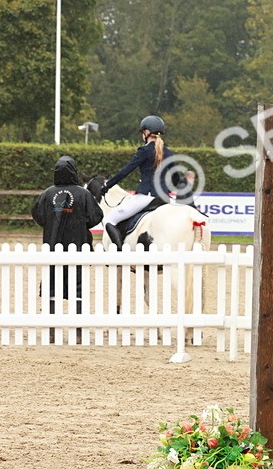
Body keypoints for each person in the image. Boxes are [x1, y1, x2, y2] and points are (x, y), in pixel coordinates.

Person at [31, 155, 104, 330]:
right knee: (78, 285)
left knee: (51, 285)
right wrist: (80, 222)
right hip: (78, 246)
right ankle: (78, 329)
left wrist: (51, 222)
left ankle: (51, 329)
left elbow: (37, 215)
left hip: (53, 246)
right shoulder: (84, 194)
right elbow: (96, 216)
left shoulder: (47, 194)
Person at [101, 115, 177, 247]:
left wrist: (107, 185)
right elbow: (176, 177)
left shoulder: (144, 151)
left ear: (146, 133)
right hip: (165, 198)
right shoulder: (168, 152)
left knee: (110, 219)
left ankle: (119, 253)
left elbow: (126, 171)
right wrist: (167, 190)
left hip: (146, 197)